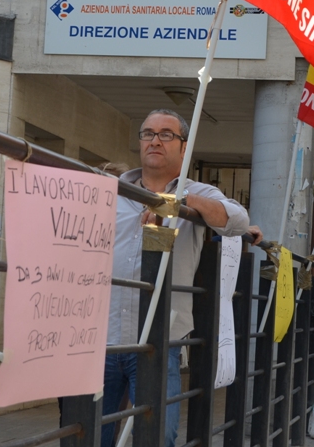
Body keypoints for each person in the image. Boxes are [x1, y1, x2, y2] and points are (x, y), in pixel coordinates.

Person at [103, 109, 262, 447]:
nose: (155, 141)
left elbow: (236, 220)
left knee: (161, 433)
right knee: (92, 431)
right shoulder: (112, 191)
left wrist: (183, 203)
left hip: (161, 340)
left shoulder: (197, 193)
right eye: (148, 133)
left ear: (183, 145)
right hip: (102, 335)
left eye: (165, 134)